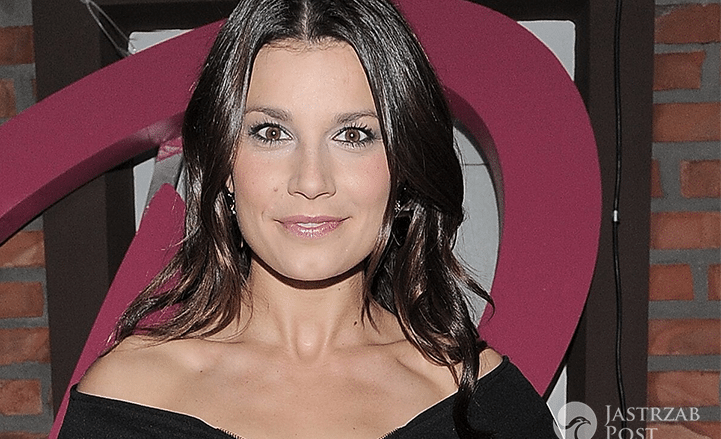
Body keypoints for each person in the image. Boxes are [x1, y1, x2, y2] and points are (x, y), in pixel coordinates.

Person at [58, 0, 557, 437]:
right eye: (271, 133)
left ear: (402, 168)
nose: (311, 180)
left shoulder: (485, 404)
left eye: (353, 135)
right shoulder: (127, 399)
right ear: (224, 165)